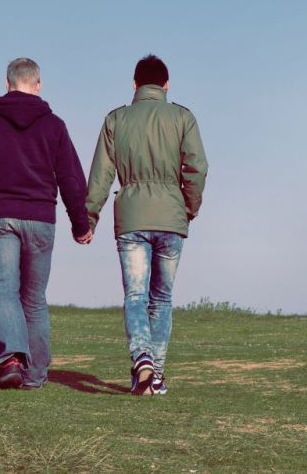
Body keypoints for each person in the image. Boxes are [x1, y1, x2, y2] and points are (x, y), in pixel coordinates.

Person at [0, 57, 91, 390]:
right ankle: (35, 376)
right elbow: (70, 177)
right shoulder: (54, 125)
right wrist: (80, 223)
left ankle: (11, 359)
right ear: (37, 85)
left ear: (7, 82)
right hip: (41, 218)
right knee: (34, 297)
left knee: (2, 290)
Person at [83, 54, 208, 395]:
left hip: (131, 219)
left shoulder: (115, 120)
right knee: (162, 299)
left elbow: (101, 175)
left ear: (135, 85)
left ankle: (143, 359)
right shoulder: (183, 118)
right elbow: (197, 167)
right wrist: (189, 208)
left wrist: (88, 215)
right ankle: (156, 375)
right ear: (166, 85)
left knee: (136, 296)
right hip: (171, 217)